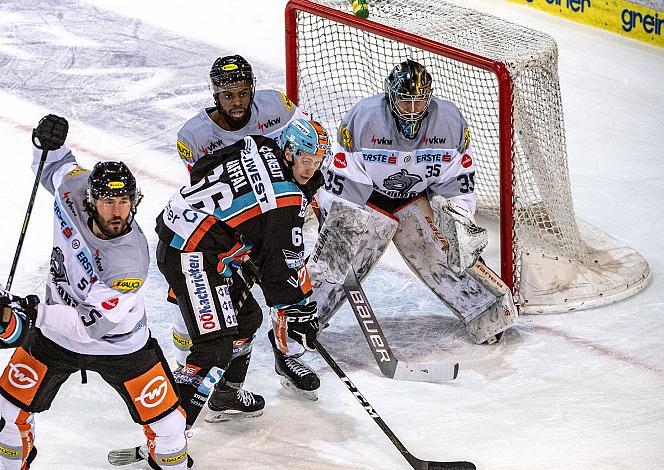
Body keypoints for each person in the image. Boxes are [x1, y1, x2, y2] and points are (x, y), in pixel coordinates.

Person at [0, 115, 191, 470]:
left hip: (119, 344)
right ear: (90, 200)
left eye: (125, 201)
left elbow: (89, 327)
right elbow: (53, 164)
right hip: (54, 337)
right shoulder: (73, 189)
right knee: (7, 413)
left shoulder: (129, 261)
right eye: (109, 202)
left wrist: (27, 313)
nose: (119, 211)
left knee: (169, 427)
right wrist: (47, 139)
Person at [311, 59, 518, 345]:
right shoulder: (363, 117)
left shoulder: (449, 122)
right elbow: (344, 179)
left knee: (450, 247)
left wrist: (458, 222)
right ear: (390, 95)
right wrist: (336, 221)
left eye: (419, 101)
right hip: (367, 199)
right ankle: (305, 317)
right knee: (337, 255)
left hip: (418, 199)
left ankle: (485, 312)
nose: (411, 110)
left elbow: (456, 183)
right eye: (404, 101)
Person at [170, 55, 321, 419]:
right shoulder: (194, 136)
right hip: (221, 231)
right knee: (201, 312)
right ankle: (183, 382)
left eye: (242, 93)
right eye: (228, 95)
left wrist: (306, 196)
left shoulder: (275, 107)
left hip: (269, 218)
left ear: (252, 89)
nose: (237, 102)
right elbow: (208, 184)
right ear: (215, 95)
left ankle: (285, 358)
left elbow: (307, 148)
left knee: (271, 293)